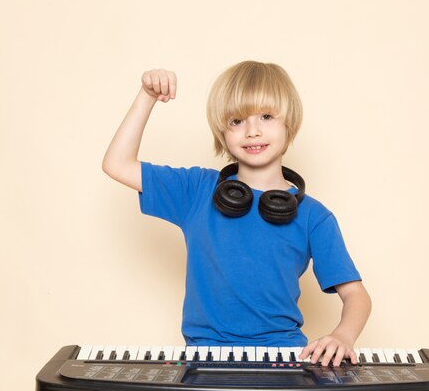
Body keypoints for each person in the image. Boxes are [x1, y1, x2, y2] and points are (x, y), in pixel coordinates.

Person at [102, 61, 371, 367]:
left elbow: (356, 295)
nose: (253, 131)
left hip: (284, 357)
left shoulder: (315, 217)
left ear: (289, 123)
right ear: (223, 131)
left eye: (267, 116)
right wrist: (146, 96)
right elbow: (117, 164)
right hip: (204, 357)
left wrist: (343, 335)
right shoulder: (196, 190)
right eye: (237, 121)